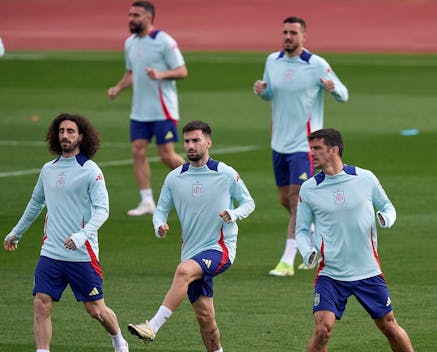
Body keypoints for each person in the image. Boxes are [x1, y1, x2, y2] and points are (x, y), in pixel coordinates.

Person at [3, 113, 129, 352]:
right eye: (61, 131)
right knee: (41, 304)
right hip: (51, 252)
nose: (65, 136)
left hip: (82, 255)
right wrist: (16, 232)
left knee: (96, 310)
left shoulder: (91, 171)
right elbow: (35, 203)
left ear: (81, 136)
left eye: (70, 131)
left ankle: (118, 341)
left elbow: (103, 211)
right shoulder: (48, 170)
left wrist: (81, 236)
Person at [127, 120, 255, 351]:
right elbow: (161, 210)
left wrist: (233, 213)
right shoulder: (175, 177)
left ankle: (152, 326)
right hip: (191, 252)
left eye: (196, 140)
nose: (190, 145)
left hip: (220, 249)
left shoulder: (225, 173)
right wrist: (160, 226)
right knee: (206, 319)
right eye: (186, 141)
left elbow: (249, 202)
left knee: (183, 271)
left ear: (208, 142)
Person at [295, 129, 414, 352]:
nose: (311, 153)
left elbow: (387, 206)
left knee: (389, 327)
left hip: (367, 270)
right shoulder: (309, 188)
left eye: (317, 148)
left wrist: (386, 219)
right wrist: (306, 250)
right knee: (322, 329)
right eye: (310, 148)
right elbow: (301, 230)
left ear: (334, 150)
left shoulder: (364, 178)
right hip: (331, 273)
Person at [253, 16, 349, 276]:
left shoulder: (316, 64)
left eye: (293, 33)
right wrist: (262, 91)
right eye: (284, 32)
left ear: (303, 36)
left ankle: (289, 259)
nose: (287, 36)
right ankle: (315, 235)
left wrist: (333, 89)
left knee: (297, 198)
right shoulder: (272, 61)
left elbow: (343, 93)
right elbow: (272, 92)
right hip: (279, 144)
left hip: (305, 145)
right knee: (286, 199)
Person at [108, 0, 187, 216]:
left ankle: (197, 182)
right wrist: (118, 87)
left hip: (163, 110)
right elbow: (131, 72)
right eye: (130, 15)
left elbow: (182, 71)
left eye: (136, 15)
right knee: (138, 151)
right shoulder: (130, 43)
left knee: (166, 155)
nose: (131, 19)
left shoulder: (164, 41)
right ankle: (146, 201)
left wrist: (161, 74)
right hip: (139, 111)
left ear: (148, 17)